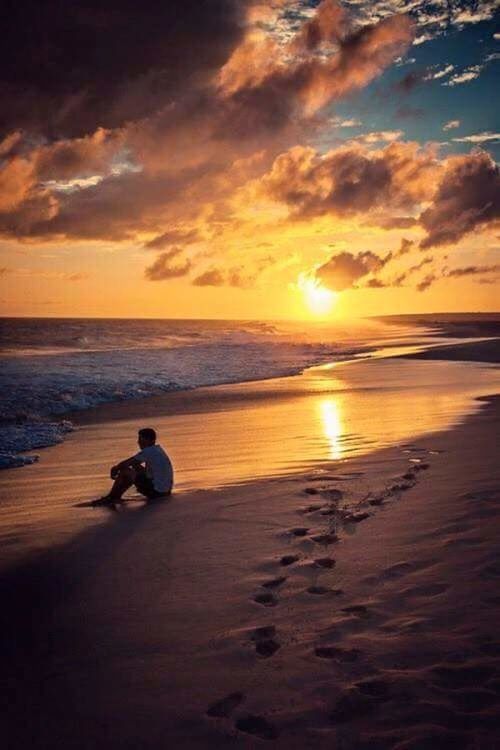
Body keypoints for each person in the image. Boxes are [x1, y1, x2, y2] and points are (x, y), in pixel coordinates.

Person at [93, 427, 173, 505]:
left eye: (141, 439)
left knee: (125, 471)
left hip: (157, 492)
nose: (138, 442)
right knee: (135, 466)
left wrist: (115, 469)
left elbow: (126, 463)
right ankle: (115, 496)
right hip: (165, 491)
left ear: (148, 440)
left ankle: (111, 497)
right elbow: (136, 464)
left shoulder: (149, 451)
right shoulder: (158, 449)